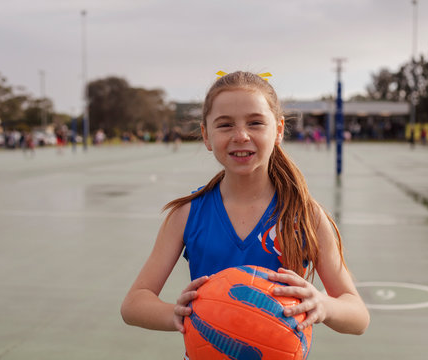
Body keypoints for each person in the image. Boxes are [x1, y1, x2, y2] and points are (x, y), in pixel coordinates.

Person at [121, 71, 369, 356]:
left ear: (277, 130)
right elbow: (134, 304)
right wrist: (177, 314)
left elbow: (358, 315)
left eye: (255, 123)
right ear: (206, 135)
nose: (241, 136)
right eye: (225, 125)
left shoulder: (306, 215)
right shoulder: (186, 215)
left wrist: (323, 305)